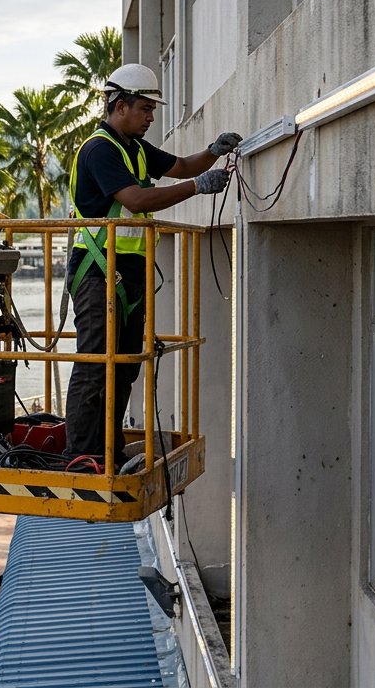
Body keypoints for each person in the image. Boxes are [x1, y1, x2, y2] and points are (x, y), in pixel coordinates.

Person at [63, 63, 238, 467]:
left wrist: (212, 152)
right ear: (119, 106)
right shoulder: (100, 149)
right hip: (97, 269)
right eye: (145, 108)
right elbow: (137, 201)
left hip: (128, 271)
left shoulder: (136, 148)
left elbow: (181, 166)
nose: (151, 116)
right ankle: (80, 455)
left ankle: (106, 446)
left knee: (123, 365)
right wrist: (198, 187)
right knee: (95, 363)